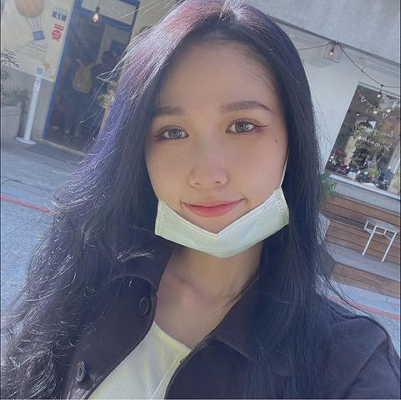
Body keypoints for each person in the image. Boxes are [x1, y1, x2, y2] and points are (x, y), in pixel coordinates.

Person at [1, 1, 400, 399]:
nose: (207, 174)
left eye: (242, 126)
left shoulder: (352, 365)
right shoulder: (90, 269)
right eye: (172, 132)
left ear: (292, 141)